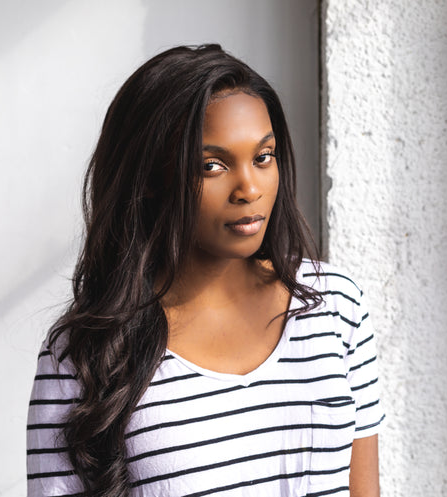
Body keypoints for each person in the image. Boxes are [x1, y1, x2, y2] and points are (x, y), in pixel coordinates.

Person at [26, 45, 383, 497]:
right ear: (151, 178)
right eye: (212, 166)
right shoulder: (82, 356)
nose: (249, 188)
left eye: (263, 157)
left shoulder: (335, 305)